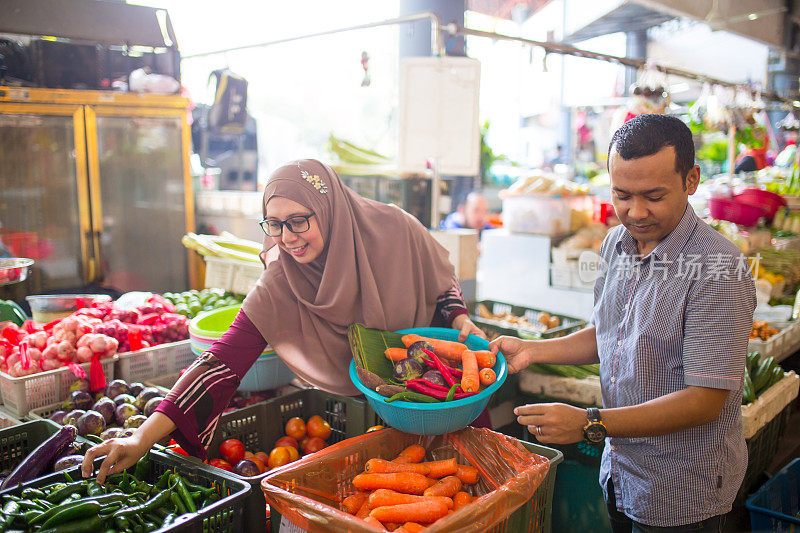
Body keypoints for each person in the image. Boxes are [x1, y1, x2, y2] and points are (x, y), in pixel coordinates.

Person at [82, 159, 485, 482]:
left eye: (298, 220)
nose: (286, 237)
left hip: (448, 391)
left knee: (470, 488)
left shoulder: (393, 228)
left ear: (328, 211)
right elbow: (221, 361)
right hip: (378, 415)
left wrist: (459, 316)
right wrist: (141, 436)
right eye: (273, 224)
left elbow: (440, 279)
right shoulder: (282, 279)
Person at [491, 115, 755, 531]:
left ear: (691, 180)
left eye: (653, 196)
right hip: (622, 472)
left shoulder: (719, 269)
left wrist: (590, 422)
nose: (635, 212)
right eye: (622, 195)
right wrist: (535, 350)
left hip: (683, 489)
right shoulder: (617, 242)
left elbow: (705, 400)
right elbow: (610, 334)